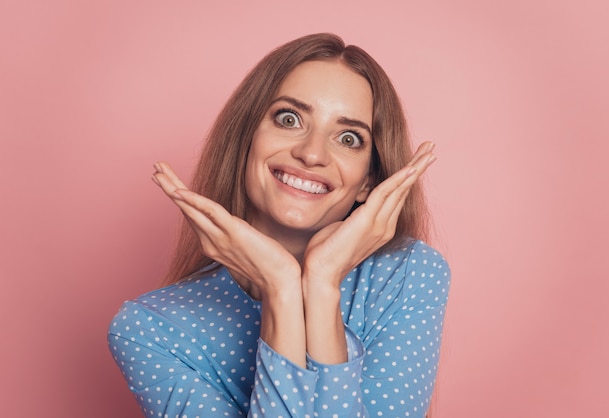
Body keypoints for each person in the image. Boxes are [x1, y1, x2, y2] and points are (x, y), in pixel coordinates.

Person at [108, 33, 450, 417]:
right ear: (246, 139)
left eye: (349, 137)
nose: (311, 153)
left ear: (368, 180)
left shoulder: (406, 274)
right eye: (289, 119)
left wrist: (321, 283)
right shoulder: (151, 331)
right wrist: (281, 288)